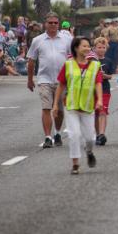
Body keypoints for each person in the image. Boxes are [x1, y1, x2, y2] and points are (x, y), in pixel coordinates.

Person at [52, 36, 103, 175]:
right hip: (72, 106)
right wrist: (55, 104)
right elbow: (61, 85)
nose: (87, 48)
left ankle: (89, 151)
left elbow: (98, 83)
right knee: (74, 135)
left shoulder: (95, 65)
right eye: (84, 46)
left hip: (88, 107)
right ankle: (75, 164)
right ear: (76, 48)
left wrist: (99, 100)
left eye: (88, 46)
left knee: (91, 138)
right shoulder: (68, 65)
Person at [27, 12, 72, 148]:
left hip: (61, 81)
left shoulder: (66, 40)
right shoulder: (37, 40)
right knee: (46, 108)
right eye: (50, 22)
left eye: (55, 23)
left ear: (59, 24)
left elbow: (72, 58)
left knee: (59, 110)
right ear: (45, 24)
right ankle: (47, 137)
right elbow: (31, 61)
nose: (53, 25)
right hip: (44, 79)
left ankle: (57, 133)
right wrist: (30, 80)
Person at [94, 37, 115, 146]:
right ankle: (97, 134)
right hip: (92, 90)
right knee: (96, 113)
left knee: (103, 111)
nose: (101, 49)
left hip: (105, 89)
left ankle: (102, 134)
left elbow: (110, 76)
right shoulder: (91, 60)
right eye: (99, 47)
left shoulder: (108, 61)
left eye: (103, 47)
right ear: (94, 48)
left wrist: (104, 75)